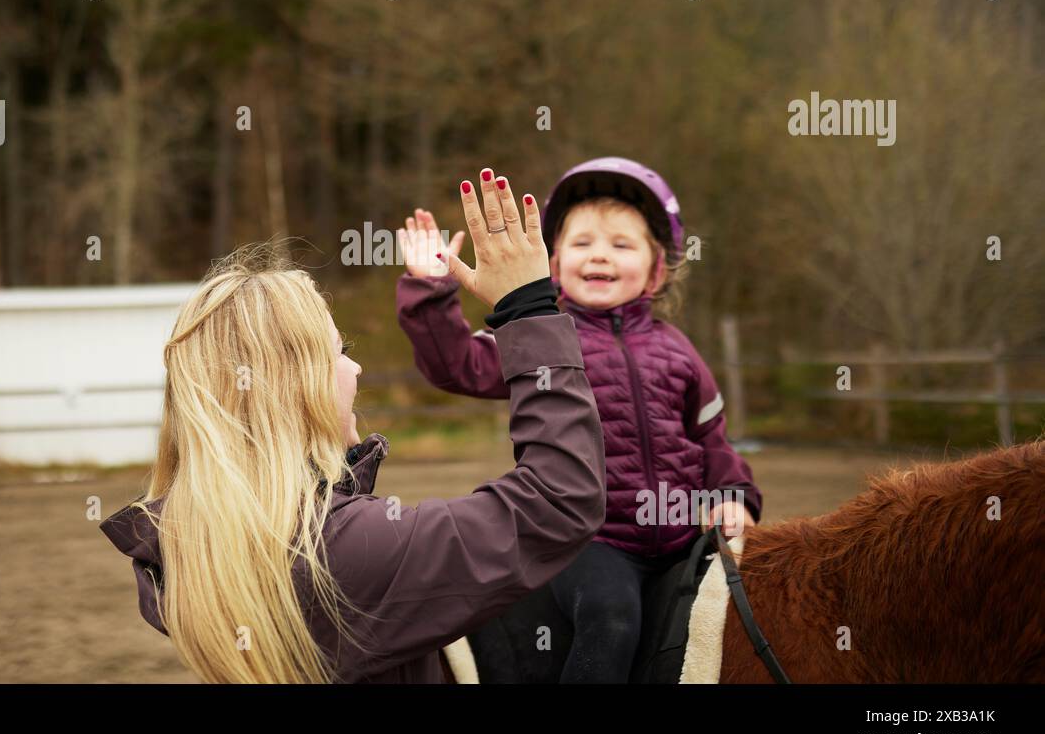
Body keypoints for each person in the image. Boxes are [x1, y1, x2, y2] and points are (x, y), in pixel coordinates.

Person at [100, 173, 607, 683]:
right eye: (339, 351)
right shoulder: (347, 552)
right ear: (292, 385)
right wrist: (527, 306)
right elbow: (558, 501)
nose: (356, 370)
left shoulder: (193, 548)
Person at [395, 157, 764, 682]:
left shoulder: (680, 351)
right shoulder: (541, 336)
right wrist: (431, 292)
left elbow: (712, 439)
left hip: (683, 534)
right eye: (583, 243)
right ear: (552, 263)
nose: (600, 256)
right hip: (593, 541)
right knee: (611, 621)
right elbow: (455, 366)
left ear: (657, 268)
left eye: (621, 244)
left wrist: (734, 495)